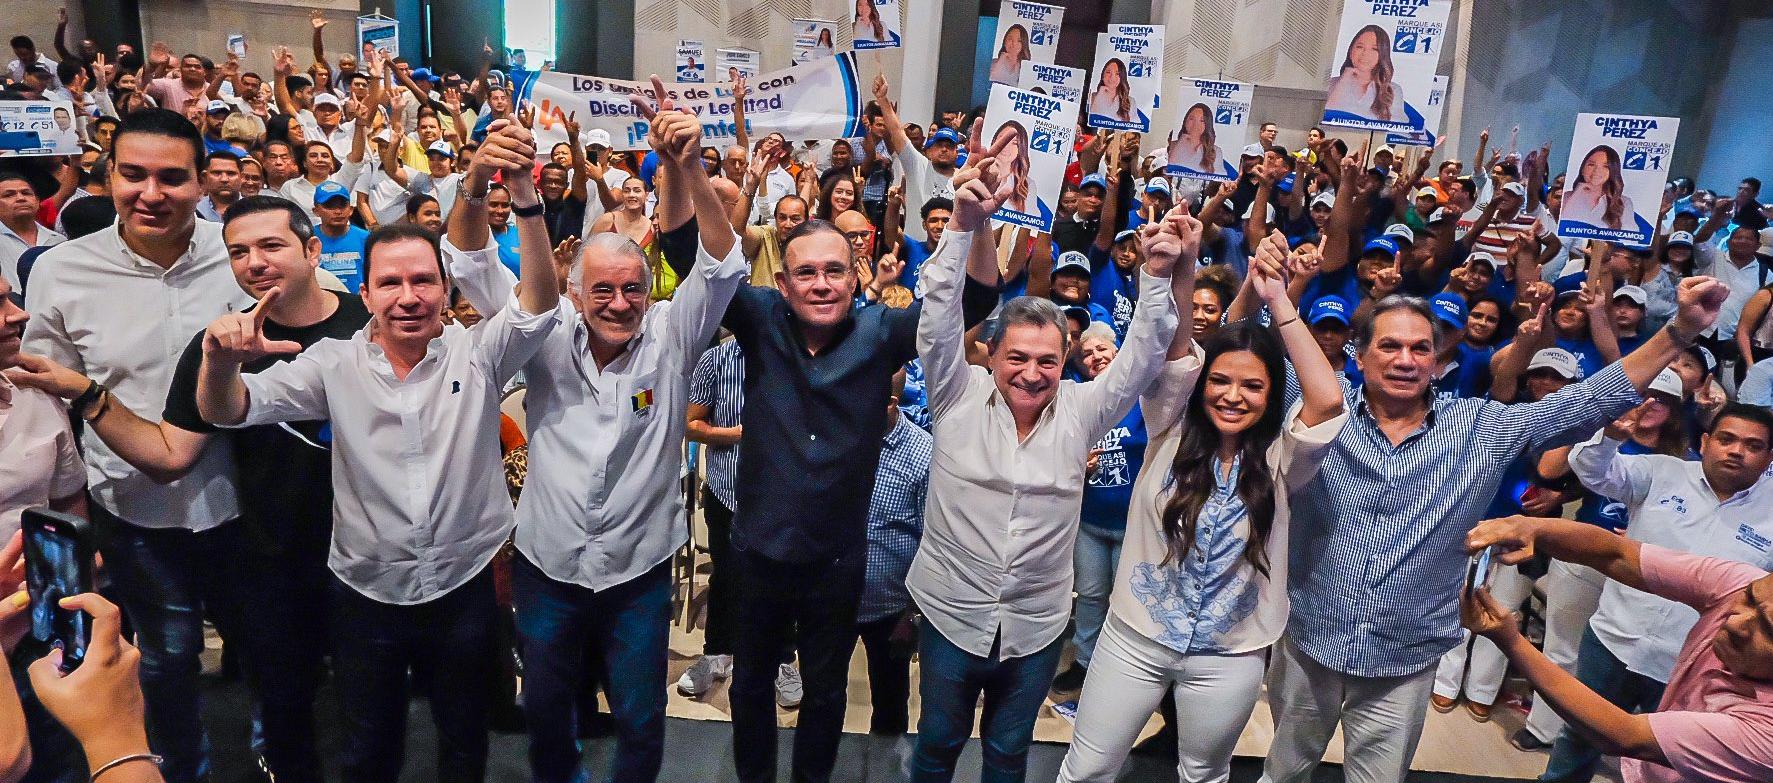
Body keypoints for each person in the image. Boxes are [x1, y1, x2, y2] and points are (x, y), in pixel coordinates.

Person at [191, 117, 556, 783]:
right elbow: (230, 409)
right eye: (390, 283)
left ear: (445, 291)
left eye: (423, 281)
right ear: (364, 296)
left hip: (464, 585)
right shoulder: (331, 363)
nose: (408, 296)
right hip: (365, 594)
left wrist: (526, 198)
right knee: (368, 751)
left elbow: (539, 300)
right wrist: (219, 361)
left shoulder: (477, 354)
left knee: (464, 745)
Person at [1262, 274, 1730, 783]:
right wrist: (1268, 290)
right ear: (1358, 355)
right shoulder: (1317, 413)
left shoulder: (1480, 427)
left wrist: (1679, 332)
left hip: (1406, 654)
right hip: (1310, 641)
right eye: (1390, 346)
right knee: (1285, 771)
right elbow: (1242, 355)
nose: (1405, 360)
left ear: (1438, 361)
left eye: (1421, 348)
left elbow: (1591, 399)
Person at [8, 195, 372, 783]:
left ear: (312, 250)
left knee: (371, 710)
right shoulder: (218, 344)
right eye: (239, 252)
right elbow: (170, 454)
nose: (255, 263)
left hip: (371, 559)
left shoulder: (373, 322)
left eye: (271, 246)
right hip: (274, 561)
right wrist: (85, 389)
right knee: (286, 708)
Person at [446, 78, 746, 783]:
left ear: (651, 291)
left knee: (641, 719)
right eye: (601, 289)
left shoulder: (675, 334)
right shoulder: (541, 329)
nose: (619, 303)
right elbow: (469, 264)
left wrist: (689, 166)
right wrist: (478, 177)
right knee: (549, 711)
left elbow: (724, 262)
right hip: (548, 567)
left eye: (632, 288)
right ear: (574, 290)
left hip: (638, 573)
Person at [717, 137, 999, 783]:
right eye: (806, 273)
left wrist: (975, 221)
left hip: (837, 559)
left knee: (824, 694)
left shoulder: (881, 332)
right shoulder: (758, 318)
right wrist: (684, 171)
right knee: (749, 687)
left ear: (856, 272)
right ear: (782, 283)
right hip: (757, 549)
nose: (821, 283)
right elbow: (690, 255)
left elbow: (972, 304)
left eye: (834, 270)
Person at [905, 133, 1183, 782]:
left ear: (1064, 361)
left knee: (1007, 756)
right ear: (992, 356)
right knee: (936, 748)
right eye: (1018, 358)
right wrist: (962, 227)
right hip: (950, 614)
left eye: (1046, 360)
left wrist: (1159, 277)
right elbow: (936, 317)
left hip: (1033, 631)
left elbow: (1141, 357)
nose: (1031, 373)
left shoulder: (1083, 411)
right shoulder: (955, 392)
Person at [22, 108, 256, 783]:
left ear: (202, 182)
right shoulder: (63, 271)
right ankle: (183, 767)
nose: (151, 192)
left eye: (172, 178)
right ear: (108, 175)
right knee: (167, 658)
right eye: (134, 175)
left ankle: (274, 751)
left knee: (273, 650)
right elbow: (52, 396)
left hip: (246, 502)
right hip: (136, 509)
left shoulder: (239, 257)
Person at [1060, 234, 1346, 783]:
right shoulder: (1168, 424)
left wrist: (1279, 299)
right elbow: (1180, 353)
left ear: (1271, 396)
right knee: (1087, 769)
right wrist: (1188, 263)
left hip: (1229, 655)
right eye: (1220, 381)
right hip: (1135, 637)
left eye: (1252, 386)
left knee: (1203, 773)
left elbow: (1327, 399)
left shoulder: (1285, 459)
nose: (1233, 396)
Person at [1531, 402, 1773, 782]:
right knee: (1579, 737)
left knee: (1663, 765)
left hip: (1691, 661)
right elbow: (1592, 470)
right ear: (1706, 441)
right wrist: (1610, 436)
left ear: (1769, 457)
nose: (1736, 451)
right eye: (1726, 439)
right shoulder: (1663, 471)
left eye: (1752, 445)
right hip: (1614, 637)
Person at [1466, 505, 1773, 783]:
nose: (1735, 622)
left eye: (1768, 630)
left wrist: (1512, 641)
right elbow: (1617, 554)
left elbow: (1625, 735)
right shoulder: (1743, 583)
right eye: (1748, 600)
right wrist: (1532, 527)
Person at [853, 370, 932, 737]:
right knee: (822, 697)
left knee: (889, 706)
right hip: (831, 600)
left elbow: (933, 542)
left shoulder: (923, 456)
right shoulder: (841, 435)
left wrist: (912, 615)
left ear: (890, 405)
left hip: (891, 610)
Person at [1324, 25, 1406, 123]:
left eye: (1374, 49)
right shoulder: (1330, 84)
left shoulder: (1392, 90)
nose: (1365, 53)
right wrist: (1344, 80)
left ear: (1382, 55)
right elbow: (1324, 118)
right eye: (1360, 47)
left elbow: (1398, 127)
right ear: (1351, 51)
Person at [0, 173, 65, 289]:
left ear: (37, 201)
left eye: (26, 193)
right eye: (8, 195)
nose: (20, 198)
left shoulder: (59, 241)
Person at [1562, 145, 1638, 232]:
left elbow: (1631, 236)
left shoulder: (1623, 202)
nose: (1597, 171)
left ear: (1612, 171)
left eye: (1605, 166)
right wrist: (1577, 193)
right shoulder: (1566, 197)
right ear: (1582, 168)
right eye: (1591, 165)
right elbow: (1561, 225)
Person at [311, 181, 369, 293]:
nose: (338, 211)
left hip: (359, 303)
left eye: (342, 206)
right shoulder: (308, 239)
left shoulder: (366, 238)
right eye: (329, 206)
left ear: (351, 210)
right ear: (316, 211)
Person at [1165, 103, 1230, 179]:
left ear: (1207, 124)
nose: (1196, 124)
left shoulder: (1215, 151)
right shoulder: (1174, 145)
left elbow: (1221, 178)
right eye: (1191, 119)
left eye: (1202, 120)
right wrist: (1180, 144)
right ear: (1185, 121)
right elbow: (1168, 169)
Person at [194, 151, 243, 223]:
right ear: (204, 177)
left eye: (231, 174)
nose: (224, 179)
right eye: (217, 173)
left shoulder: (254, 210)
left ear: (241, 177)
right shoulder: (192, 211)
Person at [1088, 58, 1138, 127]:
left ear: (1122, 77)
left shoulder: (1130, 101)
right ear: (1102, 75)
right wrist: (1099, 97)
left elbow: (1134, 127)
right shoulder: (1091, 97)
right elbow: (1090, 122)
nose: (1112, 77)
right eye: (1108, 72)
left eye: (1117, 74)